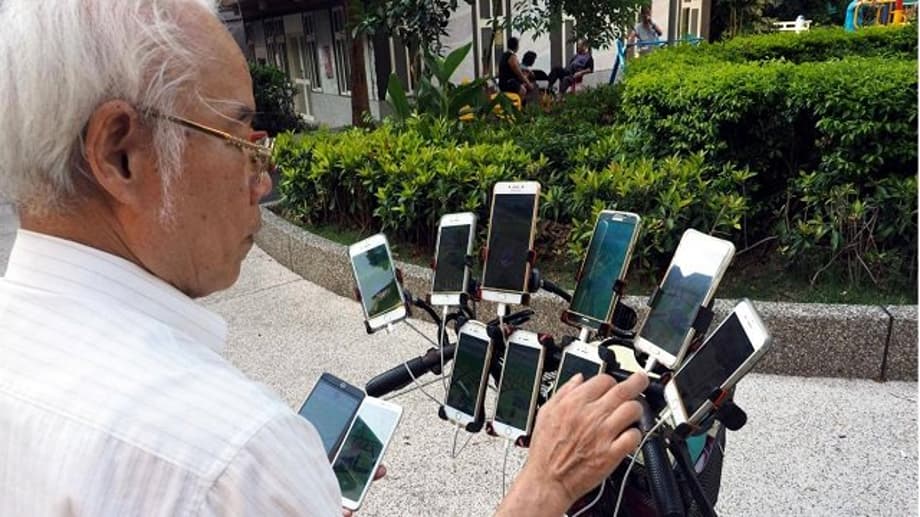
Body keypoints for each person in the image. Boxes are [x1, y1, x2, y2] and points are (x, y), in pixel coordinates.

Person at [0, 1, 648, 515]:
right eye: (243, 139)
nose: (264, 175)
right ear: (121, 154)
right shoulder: (233, 456)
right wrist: (544, 486)